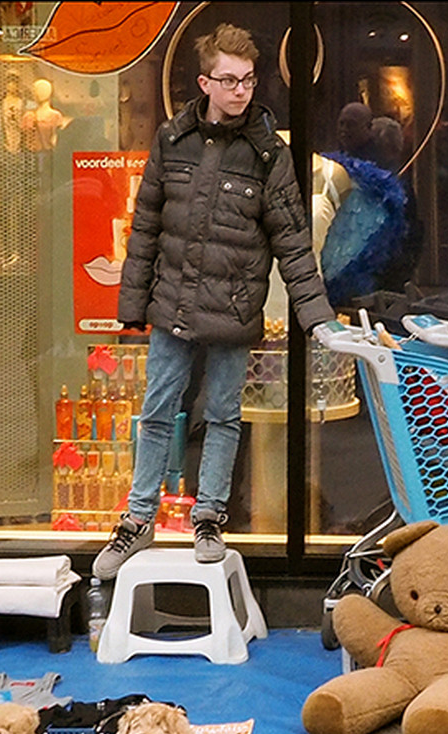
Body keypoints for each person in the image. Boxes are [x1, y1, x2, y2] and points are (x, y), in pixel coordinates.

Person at [94, 23, 337, 580]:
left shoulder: (268, 153)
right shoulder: (171, 139)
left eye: (248, 80)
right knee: (157, 412)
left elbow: (294, 242)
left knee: (225, 415)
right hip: (173, 303)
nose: (241, 91)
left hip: (233, 306)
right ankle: (137, 519)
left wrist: (316, 318)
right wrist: (133, 304)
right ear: (204, 82)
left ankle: (209, 516)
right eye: (228, 80)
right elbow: (146, 227)